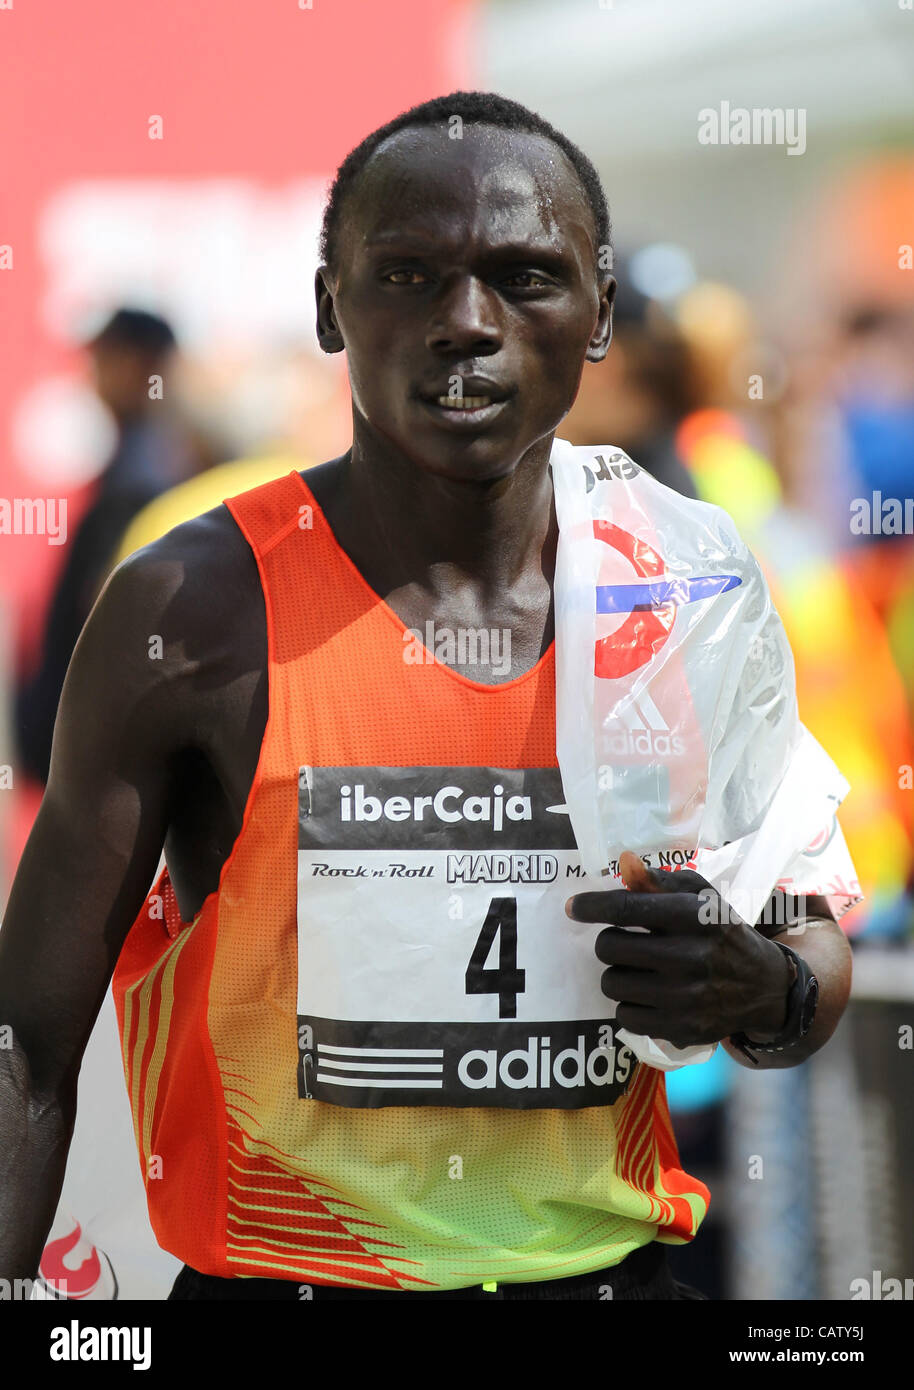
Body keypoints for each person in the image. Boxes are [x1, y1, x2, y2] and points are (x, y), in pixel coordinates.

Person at [0, 91, 853, 1301]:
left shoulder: (685, 581)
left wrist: (756, 986)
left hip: (603, 1277)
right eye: (405, 275)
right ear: (326, 305)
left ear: (599, 312)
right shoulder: (190, 611)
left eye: (524, 276)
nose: (467, 322)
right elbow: (27, 1045)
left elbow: (810, 938)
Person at [14, 307, 194, 785]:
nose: (91, 374)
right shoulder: (148, 461)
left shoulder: (143, 477)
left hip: (101, 755)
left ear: (140, 363)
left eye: (104, 358)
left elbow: (113, 619)